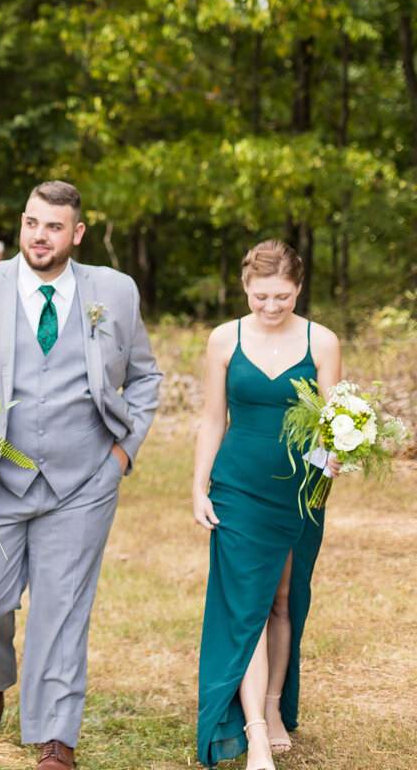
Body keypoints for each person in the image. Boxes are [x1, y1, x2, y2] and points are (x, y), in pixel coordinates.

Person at [0, 180, 161, 770]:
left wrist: (121, 456)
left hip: (82, 482)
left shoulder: (115, 292)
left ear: (76, 234)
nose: (39, 236)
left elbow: (145, 377)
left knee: (63, 606)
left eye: (53, 227)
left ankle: (55, 737)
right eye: (31, 223)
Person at [192, 240, 341, 770]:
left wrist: (337, 454)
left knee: (283, 601)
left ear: (298, 289)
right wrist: (198, 486)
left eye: (282, 296)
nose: (271, 307)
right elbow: (213, 419)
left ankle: (275, 707)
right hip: (237, 487)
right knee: (248, 607)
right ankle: (254, 731)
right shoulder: (222, 340)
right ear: (245, 288)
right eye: (260, 296)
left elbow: (333, 419)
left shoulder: (321, 341)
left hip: (301, 491)